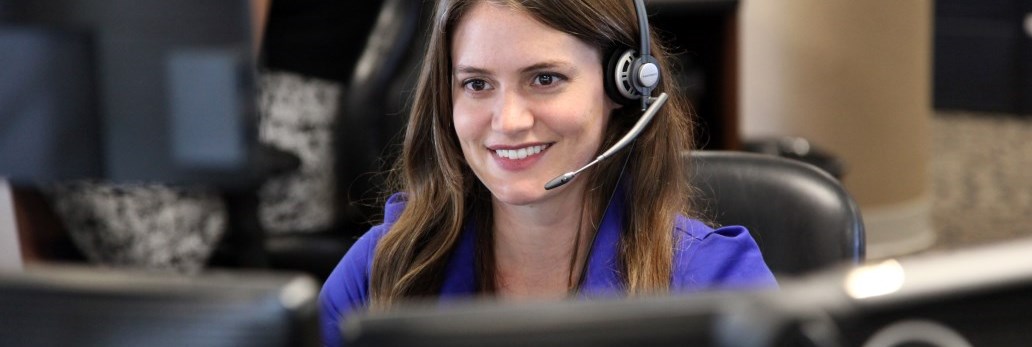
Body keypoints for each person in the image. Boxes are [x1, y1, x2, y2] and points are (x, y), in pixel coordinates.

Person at [319, 0, 776, 345]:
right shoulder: (383, 270)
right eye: (477, 84)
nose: (508, 121)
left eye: (544, 79)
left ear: (624, 85)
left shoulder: (714, 284)